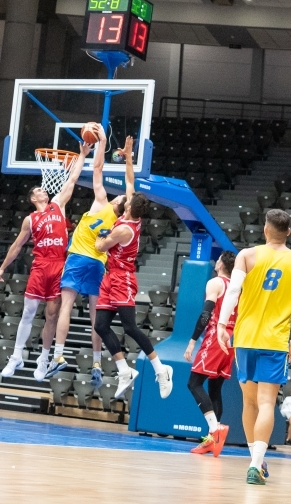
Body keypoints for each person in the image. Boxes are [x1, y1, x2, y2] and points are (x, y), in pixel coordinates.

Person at [216, 208, 291, 485]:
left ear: (265, 230)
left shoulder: (246, 255)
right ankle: (256, 465)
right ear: (288, 232)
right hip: (275, 341)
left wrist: (222, 324)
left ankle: (255, 461)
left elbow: (233, 291)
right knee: (267, 402)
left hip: (246, 337)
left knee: (249, 402)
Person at [0, 143, 90, 381]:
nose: (43, 191)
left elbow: (72, 178)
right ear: (32, 198)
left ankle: (44, 359)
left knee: (52, 315)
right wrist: (2, 267)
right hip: (40, 265)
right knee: (28, 311)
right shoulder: (30, 219)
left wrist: (83, 155)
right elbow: (17, 245)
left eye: (43, 189)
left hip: (59, 264)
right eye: (38, 190)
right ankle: (16, 356)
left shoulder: (58, 205)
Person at [46, 128, 130, 386]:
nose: (118, 195)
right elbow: (130, 189)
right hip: (98, 264)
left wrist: (101, 142)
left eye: (119, 197)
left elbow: (97, 169)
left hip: (78, 258)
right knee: (96, 316)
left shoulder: (102, 203)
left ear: (116, 203)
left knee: (66, 307)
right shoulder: (121, 221)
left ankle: (58, 355)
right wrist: (126, 160)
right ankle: (96, 362)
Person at [92, 143, 173, 401]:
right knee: (100, 325)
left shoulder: (123, 229)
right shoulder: (132, 215)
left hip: (123, 278)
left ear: (128, 208)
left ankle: (161, 369)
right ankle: (124, 370)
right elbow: (130, 181)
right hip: (110, 276)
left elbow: (100, 246)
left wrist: (100, 236)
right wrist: (128, 158)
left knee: (130, 328)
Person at [183, 251, 237, 457]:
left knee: (193, 383)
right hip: (231, 339)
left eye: (219, 258)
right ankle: (211, 440)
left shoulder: (216, 283)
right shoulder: (237, 287)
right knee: (215, 390)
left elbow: (206, 314)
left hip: (216, 335)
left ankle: (215, 430)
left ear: (221, 264)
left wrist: (192, 341)